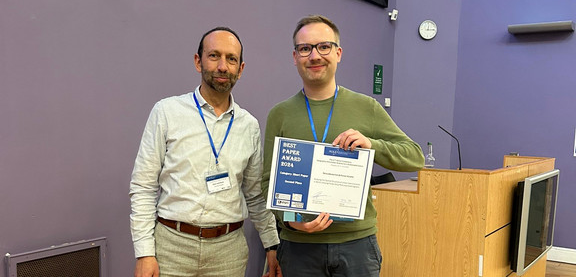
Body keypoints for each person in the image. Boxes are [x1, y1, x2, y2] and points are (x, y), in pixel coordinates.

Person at [261, 15, 425, 277]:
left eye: (323, 47)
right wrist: (291, 221)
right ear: (295, 57)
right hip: (300, 248)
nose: (314, 55)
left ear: (338, 53)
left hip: (357, 245)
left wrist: (372, 144)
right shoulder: (279, 114)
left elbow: (415, 157)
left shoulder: (366, 107)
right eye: (305, 48)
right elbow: (267, 182)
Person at [130, 27, 281, 277]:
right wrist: (145, 253)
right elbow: (143, 187)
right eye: (214, 56)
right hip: (171, 248)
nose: (223, 66)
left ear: (240, 69)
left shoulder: (249, 126)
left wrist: (272, 245)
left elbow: (254, 195)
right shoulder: (167, 112)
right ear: (198, 61)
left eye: (231, 59)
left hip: (228, 252)